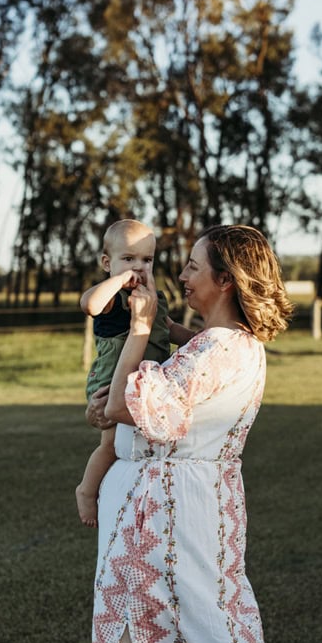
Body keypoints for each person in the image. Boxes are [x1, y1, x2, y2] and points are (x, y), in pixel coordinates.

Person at [65, 225, 293, 643]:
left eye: (191, 267)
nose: (180, 276)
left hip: (158, 523)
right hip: (200, 515)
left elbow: (122, 405)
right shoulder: (237, 347)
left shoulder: (209, 351)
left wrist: (136, 329)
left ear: (224, 280)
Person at [75, 219, 191, 526]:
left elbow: (170, 330)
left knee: (140, 444)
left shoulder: (155, 298)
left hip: (146, 385)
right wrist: (120, 278)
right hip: (112, 384)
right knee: (111, 443)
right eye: (128, 258)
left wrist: (200, 339)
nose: (138, 268)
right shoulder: (112, 298)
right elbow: (89, 304)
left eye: (146, 260)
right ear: (106, 262)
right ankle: (86, 490)